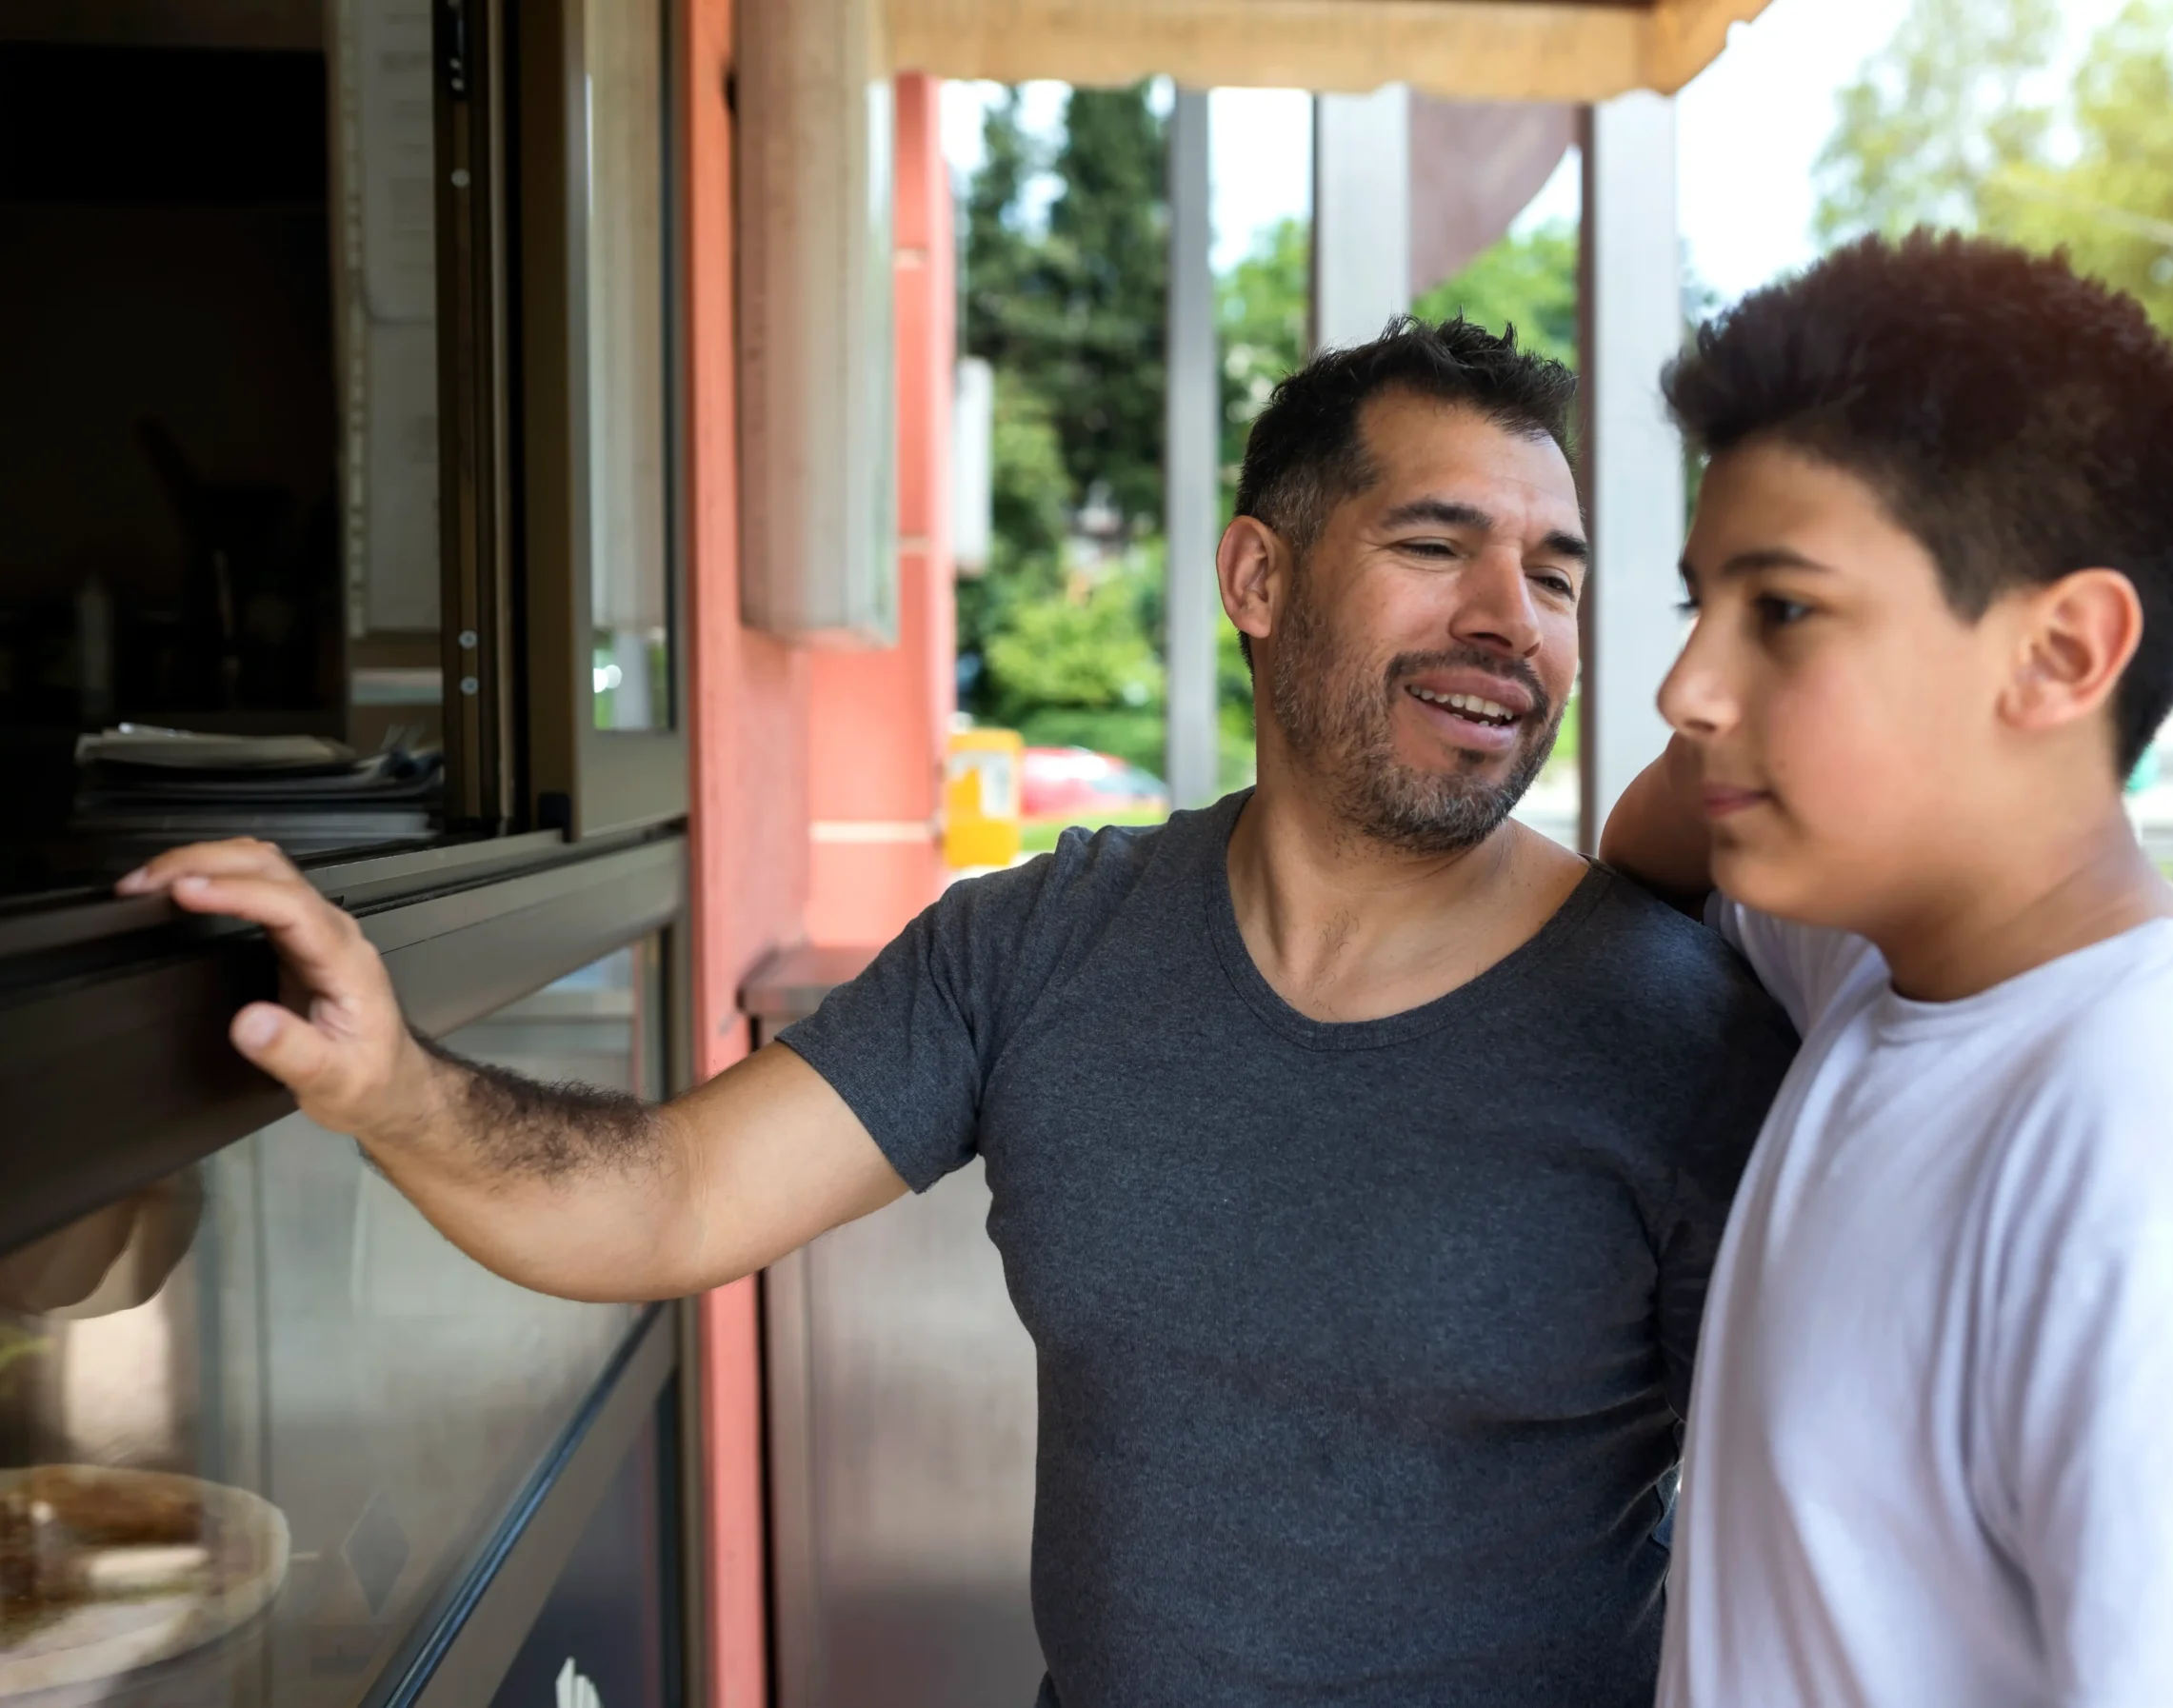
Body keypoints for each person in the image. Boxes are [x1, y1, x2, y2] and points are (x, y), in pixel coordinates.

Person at [123, 317, 1794, 1708]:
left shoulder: (1677, 1034)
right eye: (1438, 546)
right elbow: (674, 1195)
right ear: (1260, 577)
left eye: (1558, 577)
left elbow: (1815, 1561)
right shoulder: (1044, 945)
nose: (1511, 620)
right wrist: (392, 1079)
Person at [1600, 232, 2173, 1707]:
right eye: (1699, 604)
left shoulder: (2171, 1150)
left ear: (2061, 655)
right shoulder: (1884, 958)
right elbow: (1644, 838)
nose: (1687, 689)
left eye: (1784, 609)